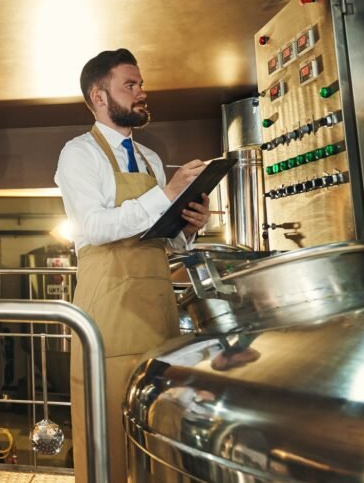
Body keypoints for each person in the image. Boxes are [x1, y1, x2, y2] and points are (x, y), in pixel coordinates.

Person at [54, 48, 210, 483]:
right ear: (99, 96)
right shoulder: (78, 154)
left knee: (156, 432)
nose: (142, 93)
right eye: (131, 85)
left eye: (140, 84)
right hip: (109, 314)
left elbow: (158, 234)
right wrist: (165, 195)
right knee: (107, 436)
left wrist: (188, 225)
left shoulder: (150, 160)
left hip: (157, 315)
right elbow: (95, 225)